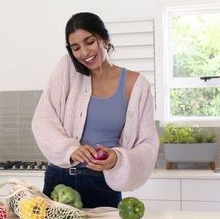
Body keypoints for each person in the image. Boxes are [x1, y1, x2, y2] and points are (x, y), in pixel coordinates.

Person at [32, 12, 159, 208]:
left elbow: (148, 144)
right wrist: (71, 149)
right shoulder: (67, 69)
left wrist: (118, 158)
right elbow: (43, 121)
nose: (84, 52)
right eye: (76, 48)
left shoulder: (136, 85)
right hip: (59, 179)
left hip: (103, 184)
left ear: (104, 39)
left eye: (89, 42)